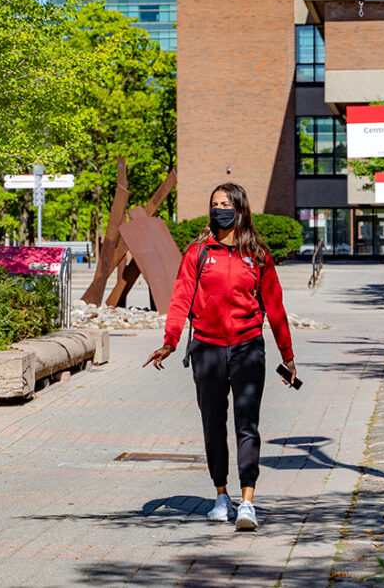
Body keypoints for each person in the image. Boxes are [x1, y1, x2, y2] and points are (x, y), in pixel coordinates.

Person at [144, 183, 297, 531]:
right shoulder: (198, 252)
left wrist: (287, 355)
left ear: (240, 208)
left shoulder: (257, 255)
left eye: (226, 204)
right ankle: (221, 495)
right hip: (207, 348)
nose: (219, 210)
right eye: (215, 204)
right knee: (213, 424)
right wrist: (170, 340)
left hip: (247, 348)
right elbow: (181, 297)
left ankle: (247, 502)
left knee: (247, 424)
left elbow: (275, 308)